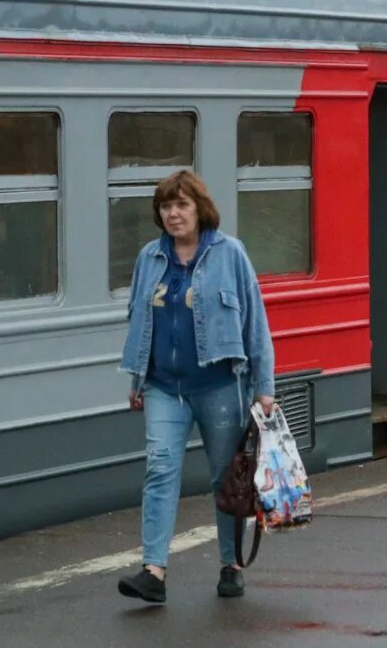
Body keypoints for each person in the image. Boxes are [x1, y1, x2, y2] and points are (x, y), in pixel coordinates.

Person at [116, 170, 276, 603]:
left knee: (226, 478)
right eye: (166, 206)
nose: (173, 214)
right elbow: (139, 320)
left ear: (199, 208)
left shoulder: (230, 254)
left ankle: (231, 564)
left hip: (219, 384)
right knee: (160, 468)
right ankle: (153, 571)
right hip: (165, 387)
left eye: (181, 205)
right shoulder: (150, 257)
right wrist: (138, 378)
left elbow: (255, 322)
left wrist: (264, 387)